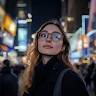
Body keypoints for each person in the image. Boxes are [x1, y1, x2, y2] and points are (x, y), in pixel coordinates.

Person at [21, 19, 89, 96]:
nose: (48, 39)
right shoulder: (32, 75)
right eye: (43, 35)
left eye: (56, 36)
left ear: (63, 46)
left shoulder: (70, 78)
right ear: (37, 42)